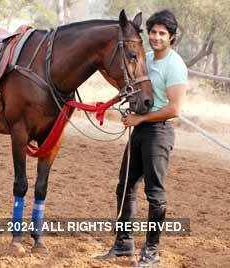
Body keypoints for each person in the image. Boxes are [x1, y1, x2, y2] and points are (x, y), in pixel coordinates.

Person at [98, 9, 188, 267]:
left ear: (171, 37)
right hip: (140, 131)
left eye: (162, 33)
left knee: (155, 193)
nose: (156, 37)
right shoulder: (146, 58)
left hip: (159, 133)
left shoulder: (175, 65)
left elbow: (174, 109)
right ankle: (123, 244)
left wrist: (139, 119)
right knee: (125, 186)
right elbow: (136, 86)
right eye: (153, 32)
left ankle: (152, 251)